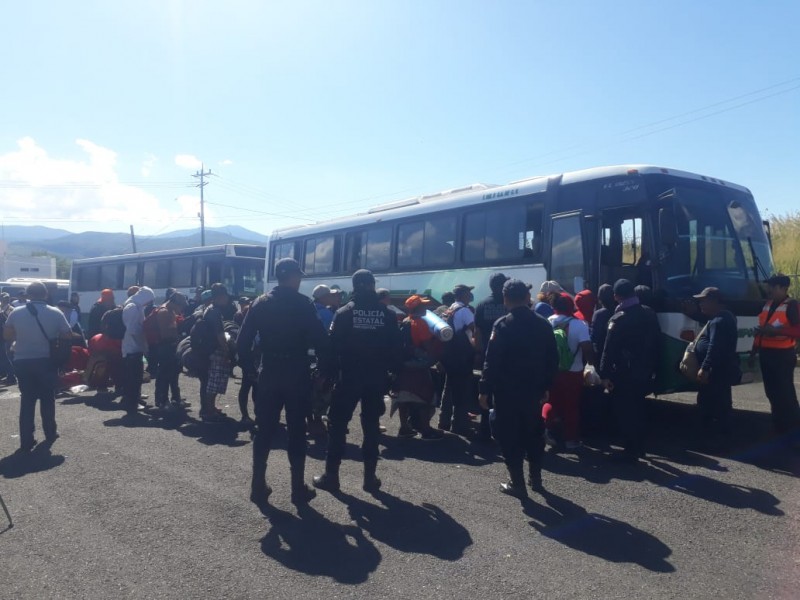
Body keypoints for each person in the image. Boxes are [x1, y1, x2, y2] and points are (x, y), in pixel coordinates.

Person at [237, 258, 330, 506]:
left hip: (268, 372)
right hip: (296, 372)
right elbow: (322, 341)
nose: (300, 280)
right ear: (292, 277)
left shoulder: (261, 302)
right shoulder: (303, 304)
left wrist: (250, 370)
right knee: (297, 430)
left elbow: (242, 342)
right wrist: (322, 369)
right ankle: (297, 487)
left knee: (264, 430)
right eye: (298, 276)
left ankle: (258, 486)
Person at [313, 269, 402, 494]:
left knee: (337, 424)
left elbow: (331, 349)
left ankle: (331, 476)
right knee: (371, 426)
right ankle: (370, 478)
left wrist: (327, 376)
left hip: (348, 378)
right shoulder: (388, 314)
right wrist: (394, 379)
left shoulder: (343, 313)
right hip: (376, 379)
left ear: (354, 287)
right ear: (373, 285)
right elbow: (398, 350)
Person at [479, 279, 559, 497]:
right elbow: (553, 360)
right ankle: (536, 479)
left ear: (505, 300)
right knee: (534, 433)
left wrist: (484, 389)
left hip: (506, 393)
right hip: (533, 392)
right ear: (527, 298)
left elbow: (491, 362)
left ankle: (518, 483)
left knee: (509, 436)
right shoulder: (543, 324)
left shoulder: (502, 325)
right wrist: (545, 386)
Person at [4, 281, 72, 450]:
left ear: (28, 295)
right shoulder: (55, 313)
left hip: (22, 361)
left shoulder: (16, 313)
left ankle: (26, 440)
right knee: (47, 399)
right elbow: (67, 334)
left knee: (27, 401)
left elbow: (7, 336)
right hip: (46, 361)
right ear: (46, 294)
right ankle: (50, 433)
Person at [598, 279, 661, 462]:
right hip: (645, 370)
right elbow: (658, 344)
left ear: (616, 297)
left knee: (625, 411)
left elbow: (608, 350)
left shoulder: (618, 318)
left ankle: (630, 450)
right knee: (639, 408)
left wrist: (604, 375)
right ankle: (640, 447)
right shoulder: (649, 313)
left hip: (624, 373)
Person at [544, 293, 594, 450]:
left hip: (551, 370)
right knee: (571, 406)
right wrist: (591, 363)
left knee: (551, 401)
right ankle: (571, 440)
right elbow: (587, 348)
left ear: (554, 306)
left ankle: (545, 427)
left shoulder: (547, 322)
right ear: (571, 306)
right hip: (573, 372)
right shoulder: (579, 325)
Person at [391, 294, 445, 440]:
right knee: (424, 397)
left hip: (404, 366)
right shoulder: (420, 323)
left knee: (404, 397)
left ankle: (404, 428)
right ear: (418, 308)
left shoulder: (406, 321)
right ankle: (426, 430)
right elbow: (428, 347)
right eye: (423, 305)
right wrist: (437, 356)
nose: (426, 308)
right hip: (418, 367)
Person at [751, 273, 800, 434]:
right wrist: (753, 352)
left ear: (783, 288)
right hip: (766, 354)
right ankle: (780, 427)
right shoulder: (768, 304)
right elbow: (762, 329)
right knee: (772, 392)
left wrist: (777, 331)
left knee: (785, 393)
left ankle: (792, 428)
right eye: (768, 286)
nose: (769, 289)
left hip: (782, 356)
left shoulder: (792, 305)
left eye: (772, 286)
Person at [691, 287, 739, 446]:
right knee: (721, 402)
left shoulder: (718, 321)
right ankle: (721, 435)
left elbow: (714, 346)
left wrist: (705, 368)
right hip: (722, 369)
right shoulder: (725, 317)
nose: (700, 304)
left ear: (714, 301)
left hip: (715, 371)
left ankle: (713, 438)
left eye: (703, 301)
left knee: (709, 402)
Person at [473, 272, 510, 442]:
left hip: (488, 354)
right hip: (507, 356)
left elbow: (477, 331)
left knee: (485, 391)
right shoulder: (509, 303)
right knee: (504, 393)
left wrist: (480, 352)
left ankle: (484, 430)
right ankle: (502, 430)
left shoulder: (481, 304)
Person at [437, 284, 476, 435]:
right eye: (468, 293)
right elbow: (474, 330)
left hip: (448, 355)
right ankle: (459, 425)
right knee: (462, 391)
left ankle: (443, 421)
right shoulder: (465, 311)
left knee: (448, 389)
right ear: (463, 295)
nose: (470, 296)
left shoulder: (450, 309)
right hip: (461, 356)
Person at [198, 283, 232, 422]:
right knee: (213, 383)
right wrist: (227, 351)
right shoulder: (215, 312)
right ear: (221, 297)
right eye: (226, 297)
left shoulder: (209, 308)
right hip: (214, 350)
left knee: (208, 382)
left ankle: (209, 408)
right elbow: (219, 335)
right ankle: (208, 410)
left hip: (207, 349)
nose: (227, 300)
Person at [121, 286, 155, 417]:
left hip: (135, 347)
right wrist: (144, 346)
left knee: (136, 377)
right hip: (132, 348)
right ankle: (132, 404)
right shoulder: (132, 307)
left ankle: (135, 400)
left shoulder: (136, 305)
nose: (149, 303)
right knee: (133, 378)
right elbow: (134, 330)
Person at [152, 292, 188, 410]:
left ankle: (175, 398)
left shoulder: (170, 311)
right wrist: (177, 334)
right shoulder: (164, 312)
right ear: (175, 303)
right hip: (166, 347)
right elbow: (165, 334)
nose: (181, 308)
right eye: (181, 305)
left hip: (171, 346)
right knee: (164, 374)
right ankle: (162, 401)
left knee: (173, 374)